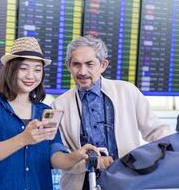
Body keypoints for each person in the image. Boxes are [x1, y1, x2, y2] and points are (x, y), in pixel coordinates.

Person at [0, 37, 99, 190]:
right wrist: (24, 138)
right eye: (23, 68)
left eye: (37, 70)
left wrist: (76, 156)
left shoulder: (45, 111)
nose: (31, 76)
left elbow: (55, 158)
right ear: (10, 70)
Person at [52, 35, 172, 190]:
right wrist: (91, 162)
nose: (82, 71)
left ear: (103, 65)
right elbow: (61, 156)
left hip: (127, 181)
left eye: (89, 64)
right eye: (76, 64)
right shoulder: (58, 105)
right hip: (79, 185)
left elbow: (158, 132)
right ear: (68, 65)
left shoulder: (127, 91)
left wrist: (165, 157)